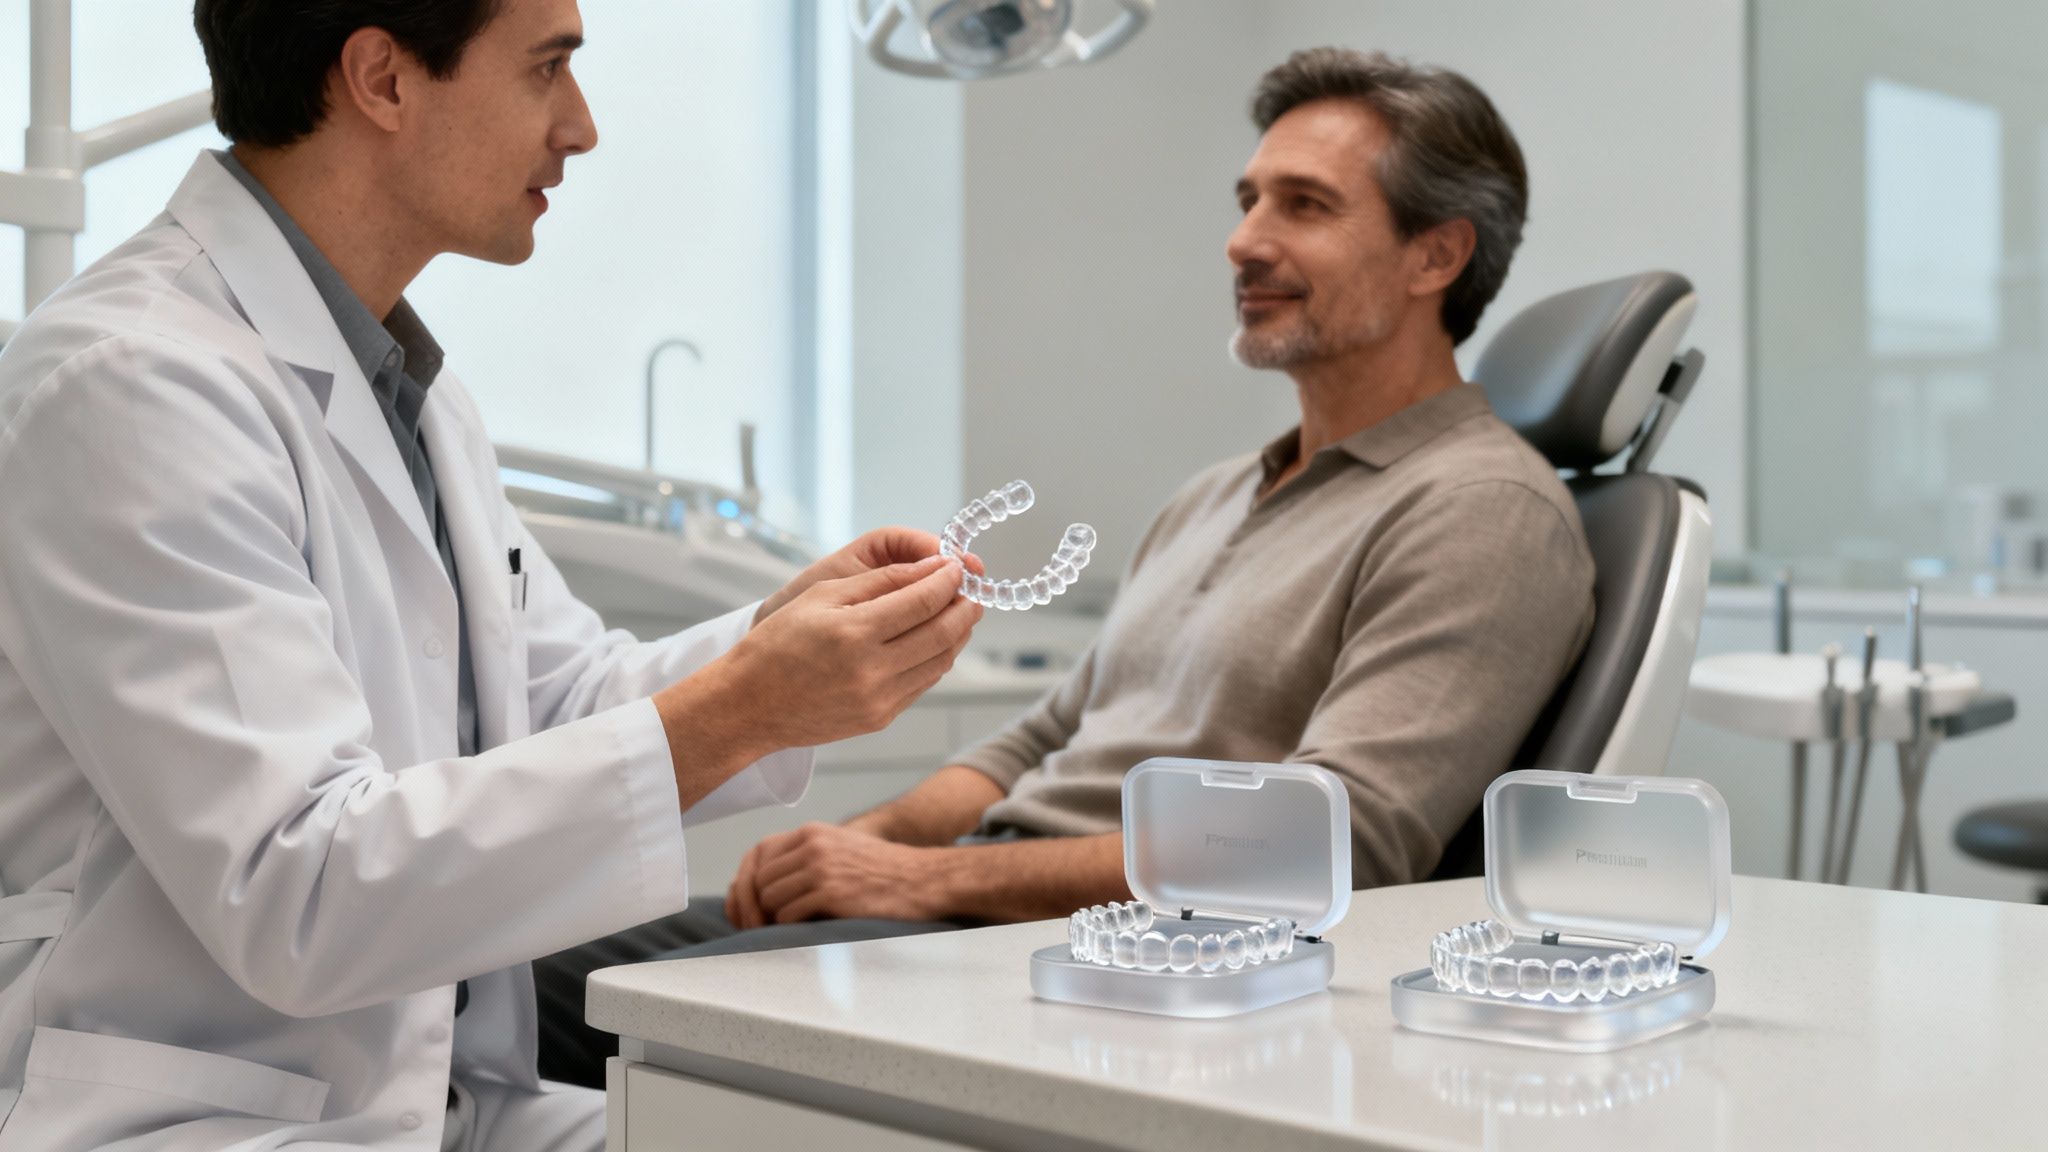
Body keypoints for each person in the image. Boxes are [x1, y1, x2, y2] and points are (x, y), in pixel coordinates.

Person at [0, 1, 980, 1148]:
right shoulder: (132, 388)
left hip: (440, 1100)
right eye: (547, 69)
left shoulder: (407, 388)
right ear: (382, 80)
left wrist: (775, 643)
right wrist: (748, 704)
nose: (582, 126)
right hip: (203, 1114)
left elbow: (556, 705)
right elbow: (299, 890)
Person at [532, 45, 1598, 1088]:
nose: (1241, 241)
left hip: (1106, 966)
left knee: (585, 1026)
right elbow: (1048, 736)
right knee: (502, 979)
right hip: (974, 907)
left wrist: (918, 878)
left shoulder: (1478, 510)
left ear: (1435, 256)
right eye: (1246, 198)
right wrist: (867, 837)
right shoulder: (1220, 492)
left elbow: (1326, 847)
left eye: (1302, 206)